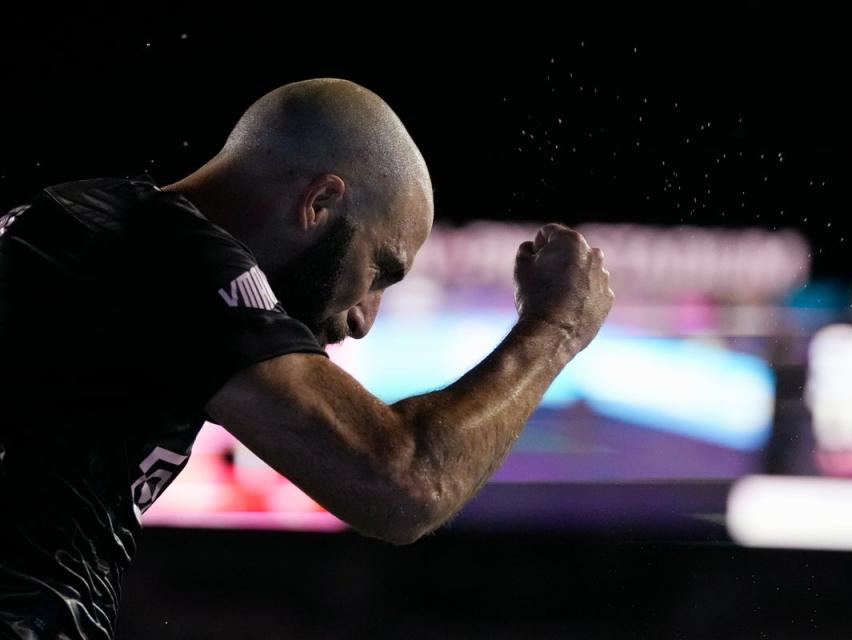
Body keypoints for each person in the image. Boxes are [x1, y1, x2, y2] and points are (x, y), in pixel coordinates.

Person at [0, 78, 613, 639]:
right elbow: (403, 483)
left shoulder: (93, 223)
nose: (363, 319)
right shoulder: (172, 255)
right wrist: (555, 327)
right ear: (319, 202)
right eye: (380, 270)